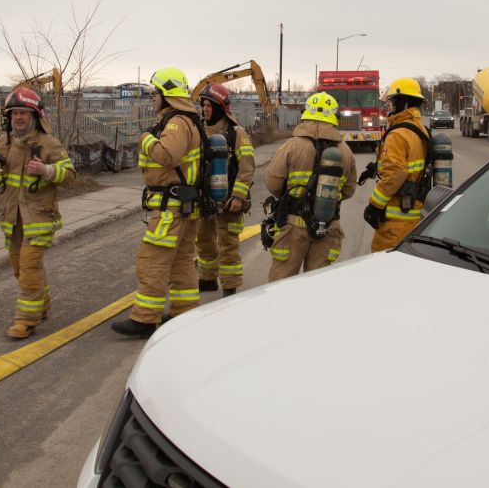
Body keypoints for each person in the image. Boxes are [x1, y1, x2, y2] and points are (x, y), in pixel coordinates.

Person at [0, 87, 75, 339]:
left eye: (23, 113)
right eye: (14, 113)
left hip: (39, 219)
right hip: (12, 220)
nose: (18, 117)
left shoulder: (49, 144)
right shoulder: (2, 144)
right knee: (20, 268)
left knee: (28, 266)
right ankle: (42, 303)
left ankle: (26, 319)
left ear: (34, 116)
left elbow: (70, 176)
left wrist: (47, 171)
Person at [111, 67, 205, 339]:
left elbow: (167, 155)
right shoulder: (188, 120)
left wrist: (145, 139)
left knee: (153, 260)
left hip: (170, 208)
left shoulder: (176, 123)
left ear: (167, 95)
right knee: (181, 261)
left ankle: (144, 319)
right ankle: (184, 312)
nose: (153, 97)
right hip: (183, 204)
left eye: (156, 93)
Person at [264, 91, 357, 282]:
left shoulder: (292, 145)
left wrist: (290, 198)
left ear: (306, 114)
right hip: (327, 226)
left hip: (293, 228)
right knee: (318, 285)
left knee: (281, 284)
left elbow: (272, 183)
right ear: (334, 117)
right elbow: (349, 190)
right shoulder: (345, 151)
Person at [195, 82, 255, 297]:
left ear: (220, 108)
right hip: (204, 198)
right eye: (203, 105)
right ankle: (208, 278)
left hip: (229, 199)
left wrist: (238, 196)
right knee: (203, 240)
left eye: (209, 106)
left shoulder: (237, 133)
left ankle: (230, 286)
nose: (205, 110)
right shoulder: (198, 131)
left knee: (227, 244)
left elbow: (247, 167)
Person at [364, 77, 429, 252]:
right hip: (414, 214)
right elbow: (409, 164)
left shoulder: (398, 134)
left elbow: (395, 174)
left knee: (385, 263)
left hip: (396, 222)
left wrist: (374, 205)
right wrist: (376, 167)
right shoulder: (420, 129)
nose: (390, 107)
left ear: (404, 102)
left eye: (393, 102)